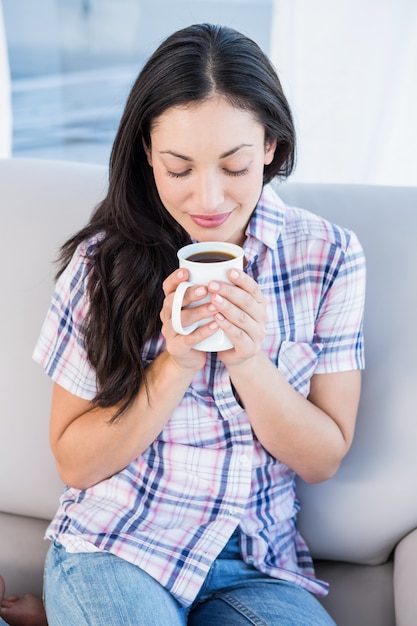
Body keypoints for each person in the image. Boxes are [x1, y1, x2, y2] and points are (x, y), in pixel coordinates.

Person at [32, 23, 365, 625]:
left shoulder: (330, 257)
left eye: (234, 166)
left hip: (257, 566)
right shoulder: (100, 264)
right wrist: (175, 363)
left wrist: (247, 360)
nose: (207, 200)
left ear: (270, 147)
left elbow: (322, 459)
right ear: (146, 155)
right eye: (179, 169)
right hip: (117, 544)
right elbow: (75, 462)